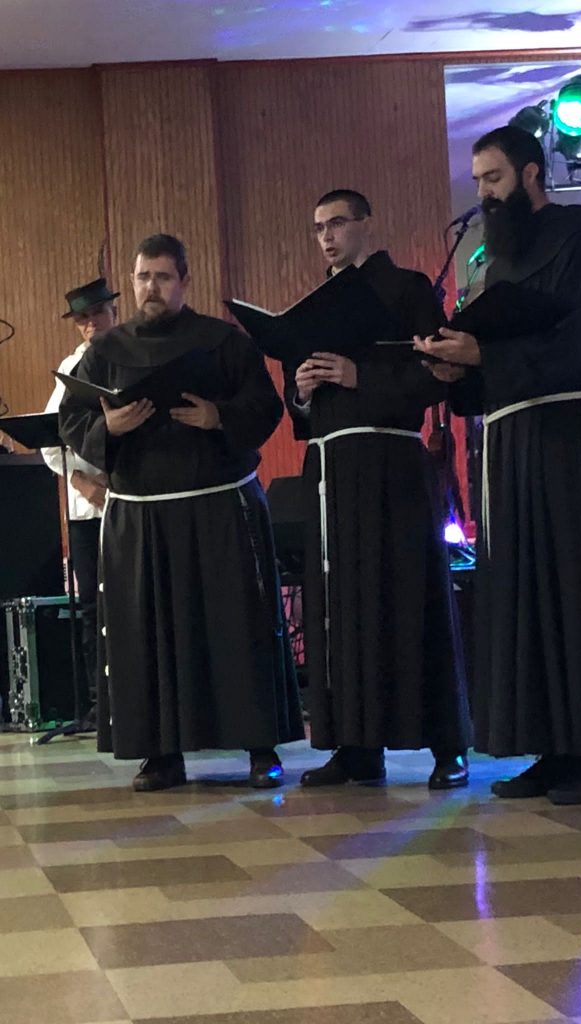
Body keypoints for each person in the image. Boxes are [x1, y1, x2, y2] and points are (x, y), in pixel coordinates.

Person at [416, 127, 581, 805]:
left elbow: (576, 351)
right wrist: (456, 369)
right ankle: (554, 750)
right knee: (526, 593)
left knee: (576, 591)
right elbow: (492, 362)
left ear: (530, 174)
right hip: (507, 443)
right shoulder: (497, 262)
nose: (484, 194)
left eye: (493, 178)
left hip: (562, 439)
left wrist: (484, 357)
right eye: (478, 181)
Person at [59, 234, 303, 791]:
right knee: (150, 635)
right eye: (143, 277)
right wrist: (107, 427)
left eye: (163, 277)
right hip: (142, 513)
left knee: (236, 626)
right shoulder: (106, 349)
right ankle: (161, 754)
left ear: (184, 282)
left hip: (218, 505)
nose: (152, 287)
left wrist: (219, 417)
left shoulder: (223, 341)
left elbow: (265, 406)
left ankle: (260, 747)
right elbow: (72, 418)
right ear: (133, 281)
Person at [287, 189, 471, 790]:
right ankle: (356, 746)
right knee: (342, 611)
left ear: (367, 224)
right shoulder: (315, 306)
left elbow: (436, 376)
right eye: (319, 228)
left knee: (412, 597)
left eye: (337, 223)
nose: (327, 236)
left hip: (393, 465)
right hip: (332, 470)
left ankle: (448, 746)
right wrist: (302, 390)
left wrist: (358, 375)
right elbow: (301, 408)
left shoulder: (409, 288)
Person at [41, 278, 119, 728]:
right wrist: (82, 482)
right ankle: (98, 702)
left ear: (113, 313)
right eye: (82, 319)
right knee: (91, 605)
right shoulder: (69, 370)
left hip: (131, 500)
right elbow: (50, 442)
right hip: (87, 508)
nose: (91, 325)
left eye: (97, 315)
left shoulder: (132, 356)